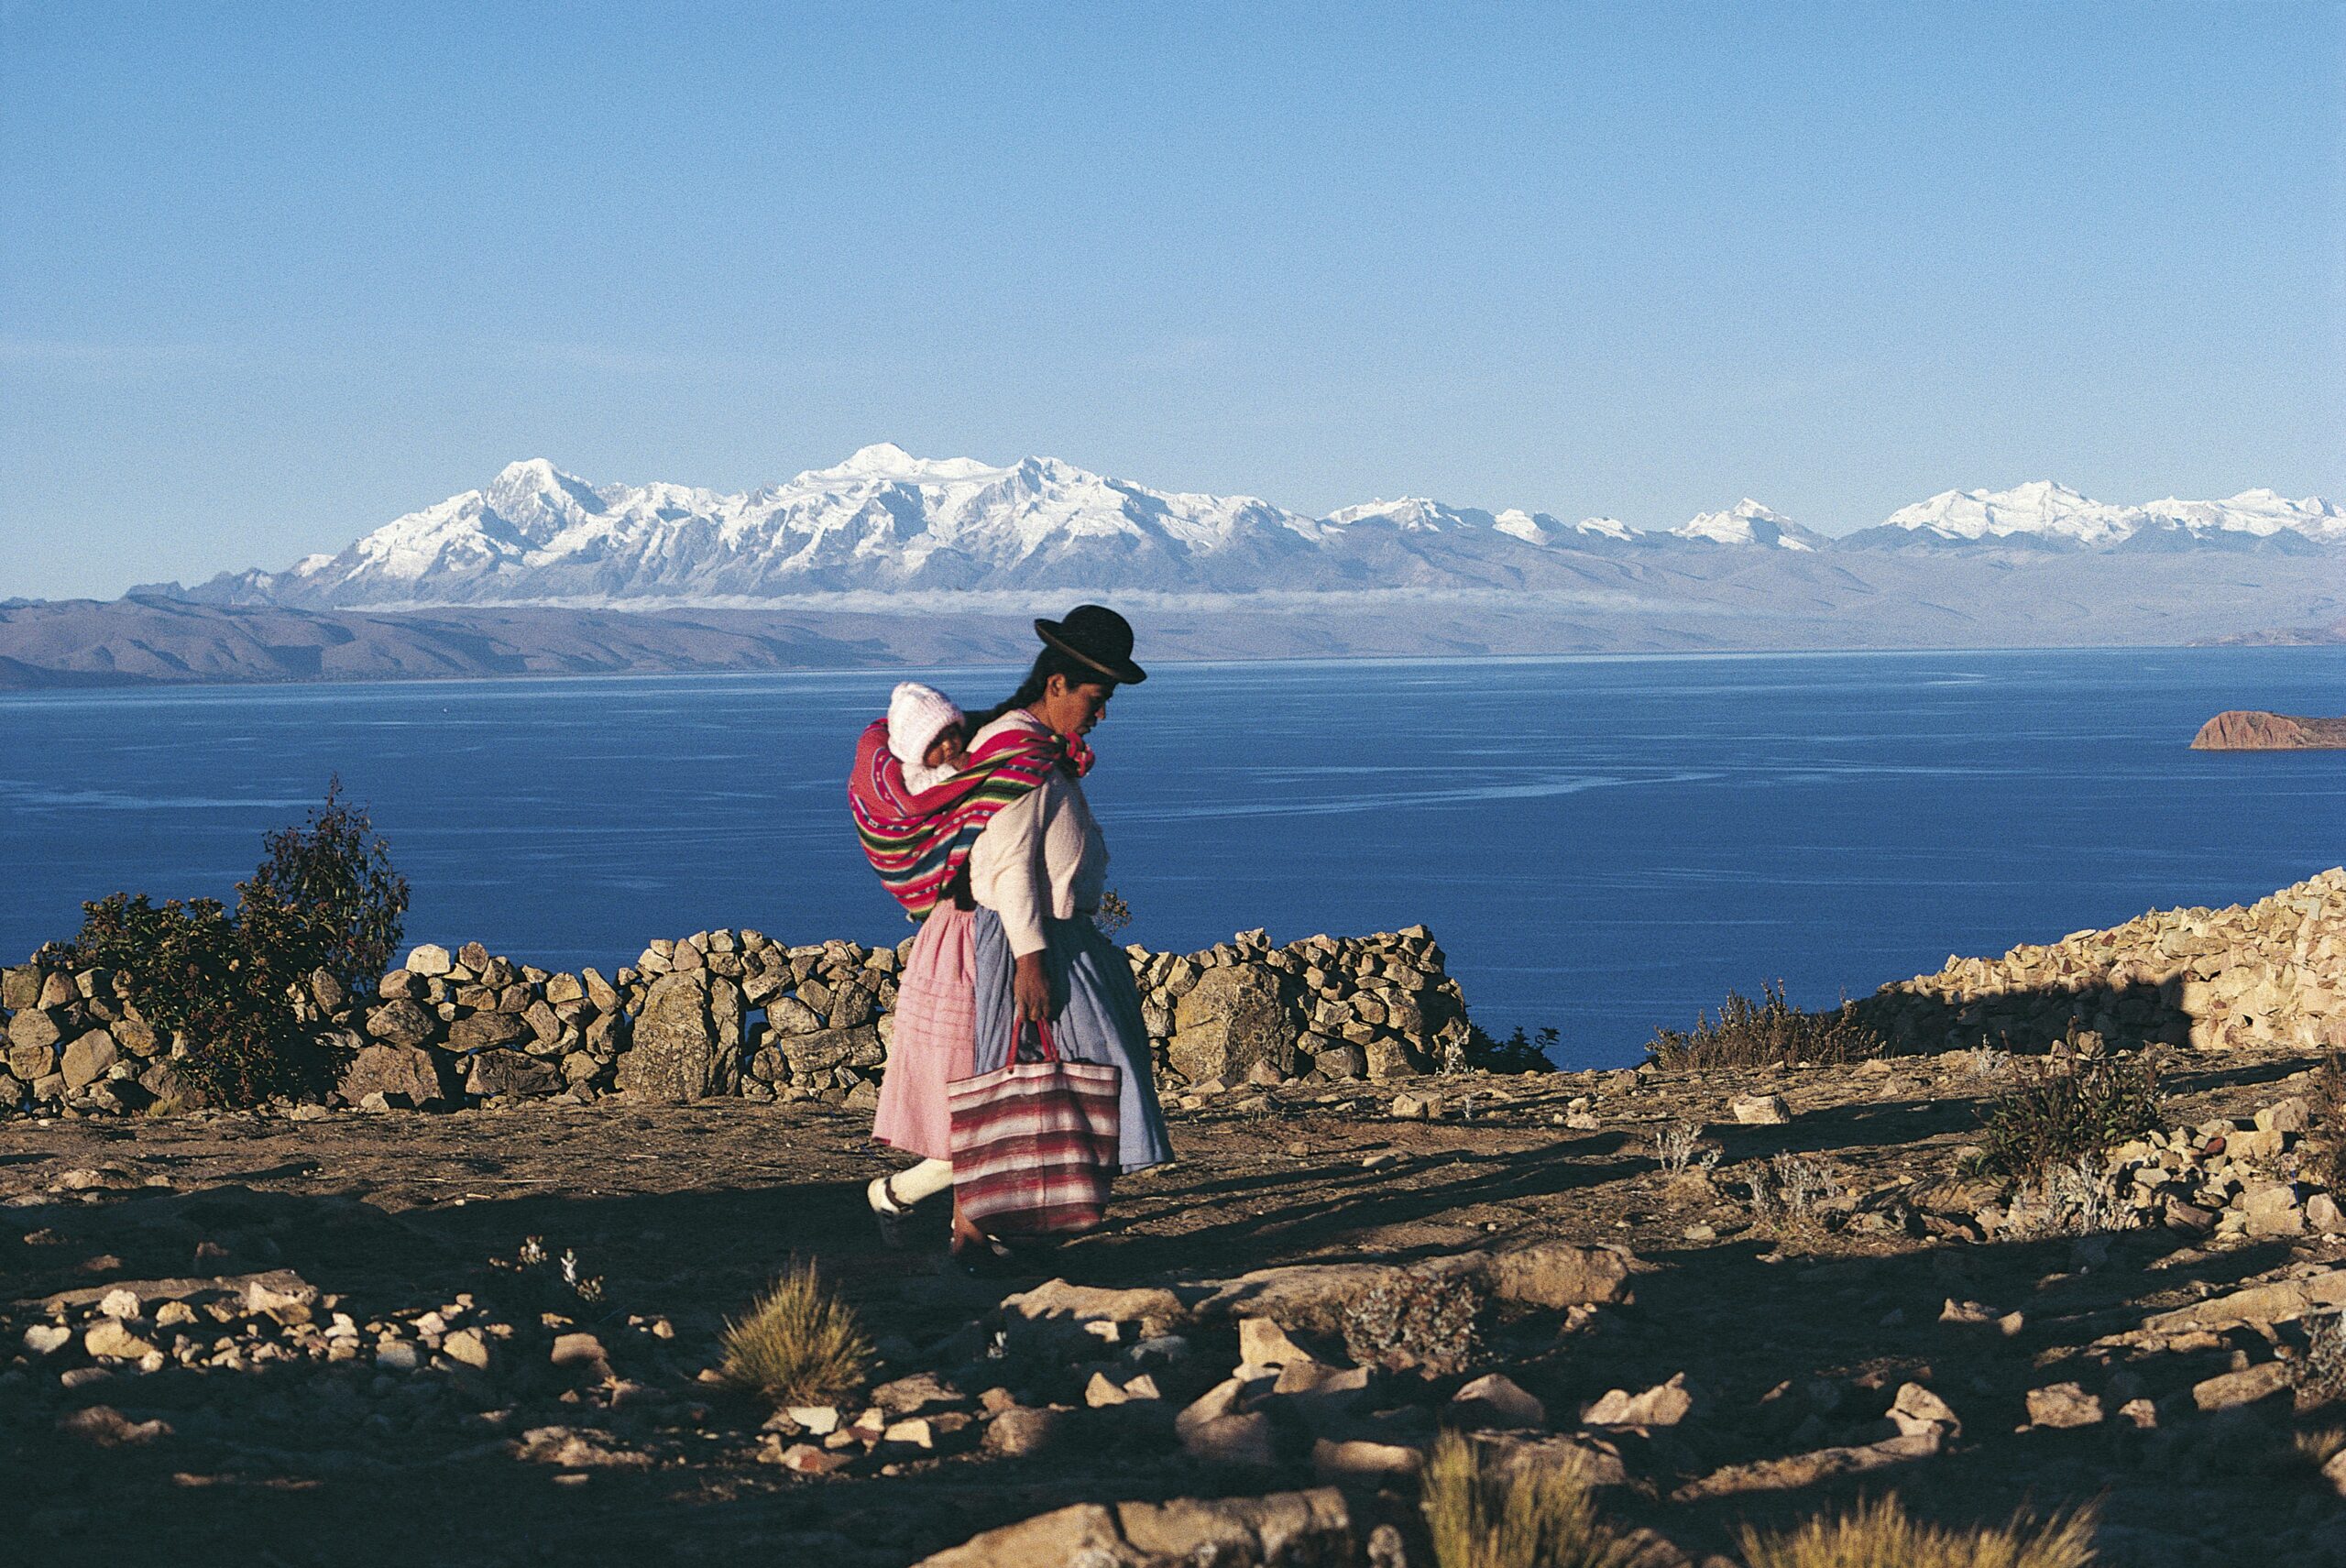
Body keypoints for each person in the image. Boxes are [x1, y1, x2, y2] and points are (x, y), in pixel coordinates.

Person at [848, 664, 1100, 1266]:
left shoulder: (981, 770)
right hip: (960, 945)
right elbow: (961, 858)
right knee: (982, 1102)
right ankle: (936, 1214)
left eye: (954, 732)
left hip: (985, 937)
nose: (952, 747)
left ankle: (945, 1214)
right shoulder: (927, 791)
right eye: (938, 741)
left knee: (994, 1099)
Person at [961, 607, 1174, 1242]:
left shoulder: (1033, 746)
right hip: (1040, 938)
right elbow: (1011, 865)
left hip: (1058, 937)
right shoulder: (1019, 752)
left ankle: (1022, 1225)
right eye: (1096, 696)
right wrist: (1031, 959)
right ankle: (989, 1233)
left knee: (1062, 1083)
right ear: (1056, 683)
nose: (1102, 713)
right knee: (1041, 1082)